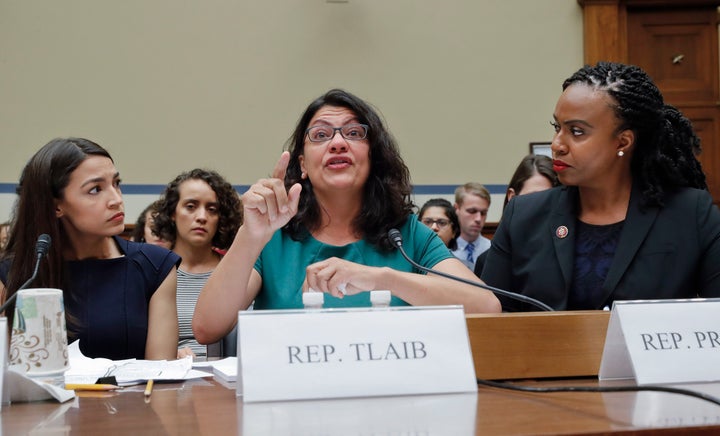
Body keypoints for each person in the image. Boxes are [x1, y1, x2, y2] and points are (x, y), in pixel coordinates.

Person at [193, 89, 500, 343]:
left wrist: (381, 278)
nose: (338, 143)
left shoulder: (406, 234)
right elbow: (207, 328)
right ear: (302, 164)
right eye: (321, 135)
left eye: (353, 133)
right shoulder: (273, 236)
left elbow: (487, 308)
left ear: (373, 157)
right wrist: (251, 235)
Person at [481, 61, 720, 311]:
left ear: (622, 142)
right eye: (557, 127)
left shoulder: (690, 213)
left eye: (576, 131)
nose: (557, 144)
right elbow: (492, 316)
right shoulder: (524, 215)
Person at [0, 137, 179, 360]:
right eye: (95, 189)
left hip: (137, 395)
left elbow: (161, 374)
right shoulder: (18, 274)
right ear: (56, 206)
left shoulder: (155, 266)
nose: (116, 200)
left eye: (116, 183)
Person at [153, 168, 242, 358]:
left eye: (212, 209)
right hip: (172, 376)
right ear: (172, 213)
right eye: (191, 206)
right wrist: (169, 354)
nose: (202, 217)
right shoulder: (154, 273)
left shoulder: (239, 272)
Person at [474, 154, 558, 276]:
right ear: (512, 197)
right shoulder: (487, 261)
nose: (542, 206)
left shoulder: (567, 256)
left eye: (550, 199)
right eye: (534, 198)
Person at [452, 183, 492, 269]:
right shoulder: (445, 251)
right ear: (457, 209)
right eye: (472, 211)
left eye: (483, 213)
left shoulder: (492, 250)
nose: (478, 219)